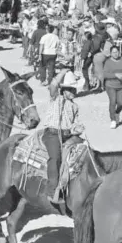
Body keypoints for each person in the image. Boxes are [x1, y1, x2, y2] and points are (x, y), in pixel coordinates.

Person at [42, 69, 84, 204]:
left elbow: (75, 123)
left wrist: (77, 128)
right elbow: (53, 85)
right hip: (52, 134)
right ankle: (53, 191)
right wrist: (63, 72)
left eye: (74, 90)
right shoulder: (56, 98)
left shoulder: (75, 106)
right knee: (55, 158)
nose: (74, 92)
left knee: (83, 150)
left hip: (67, 135)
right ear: (64, 90)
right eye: (71, 89)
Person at [103, 45, 122, 129]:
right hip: (110, 85)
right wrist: (115, 75)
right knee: (113, 102)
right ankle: (113, 120)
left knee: (121, 103)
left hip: (120, 85)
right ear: (111, 53)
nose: (115, 54)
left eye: (117, 52)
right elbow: (105, 74)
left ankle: (116, 113)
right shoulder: (108, 62)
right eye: (113, 52)